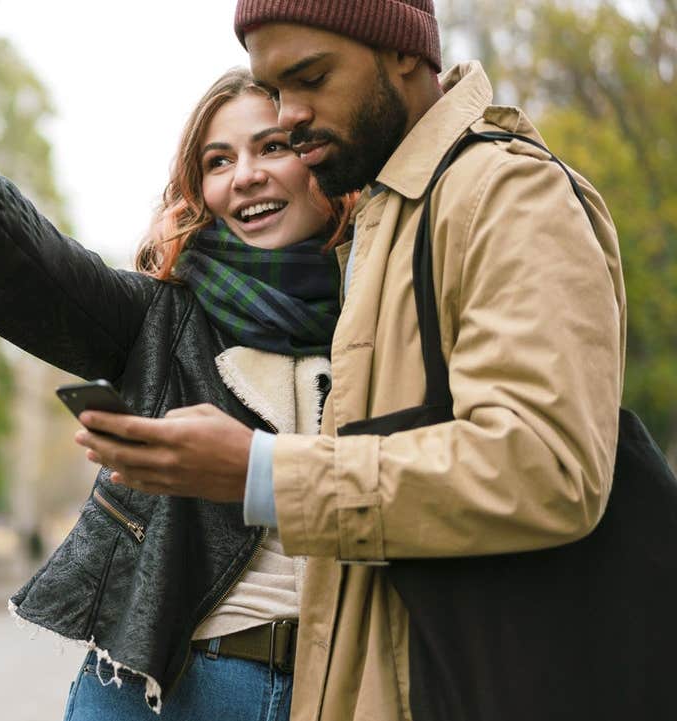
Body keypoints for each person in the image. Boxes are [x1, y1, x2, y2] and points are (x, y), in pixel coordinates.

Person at [0, 6, 355, 718]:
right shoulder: (162, 318)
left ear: (321, 156)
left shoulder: (387, 313)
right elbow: (22, 260)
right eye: (217, 161)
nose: (242, 177)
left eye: (269, 148)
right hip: (156, 688)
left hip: (334, 690)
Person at [72, 2, 627, 721]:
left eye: (311, 77)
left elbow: (546, 466)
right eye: (275, 91)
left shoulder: (506, 193)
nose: (291, 116)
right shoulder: (383, 220)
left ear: (403, 52)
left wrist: (261, 472)